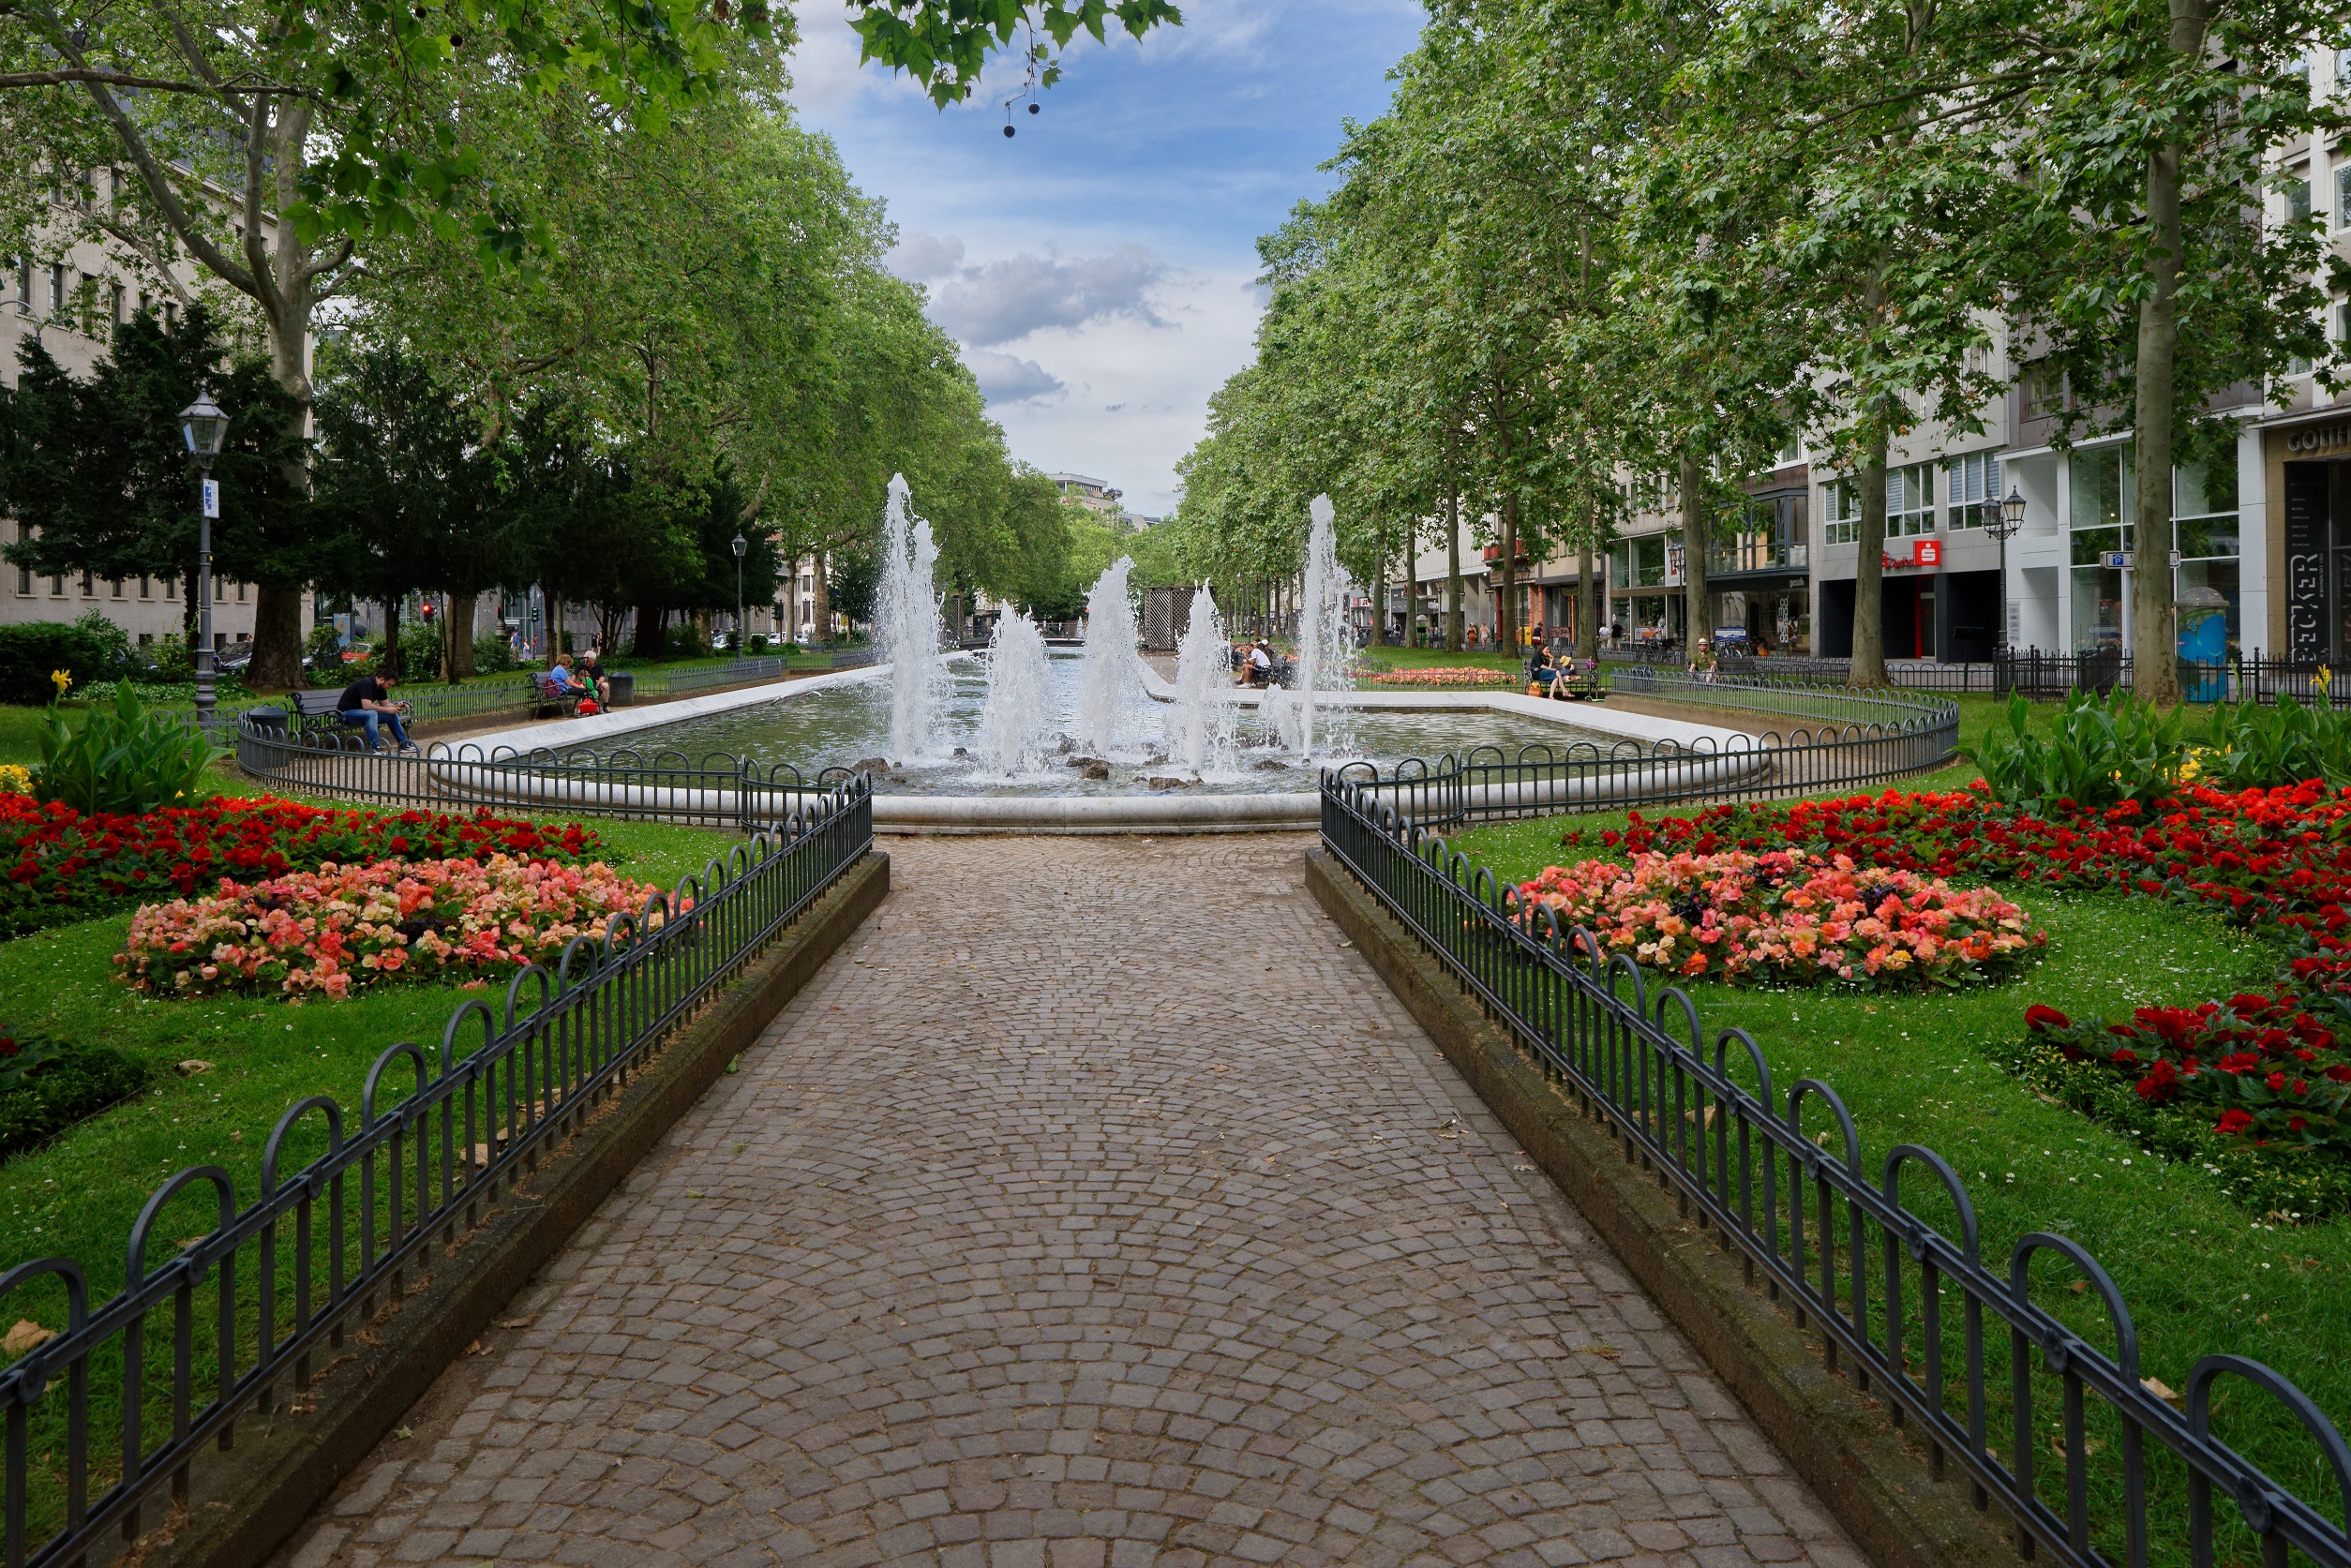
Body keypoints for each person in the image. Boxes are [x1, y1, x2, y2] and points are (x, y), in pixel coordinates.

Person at [337, 671, 415, 753]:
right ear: (382, 680)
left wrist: (396, 706)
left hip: (362, 714)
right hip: (345, 715)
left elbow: (385, 704)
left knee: (390, 715)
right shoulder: (367, 684)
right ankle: (374, 747)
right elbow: (366, 706)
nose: (390, 687)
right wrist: (388, 709)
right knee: (372, 713)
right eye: (389, 684)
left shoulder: (381, 688)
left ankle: (404, 745)